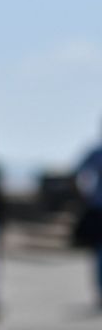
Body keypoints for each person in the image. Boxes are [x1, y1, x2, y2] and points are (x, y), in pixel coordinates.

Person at [75, 131, 102, 308]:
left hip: (97, 206)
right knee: (99, 253)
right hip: (98, 209)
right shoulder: (96, 153)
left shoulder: (95, 153)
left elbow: (77, 175)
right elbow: (78, 174)